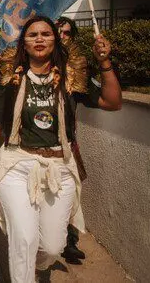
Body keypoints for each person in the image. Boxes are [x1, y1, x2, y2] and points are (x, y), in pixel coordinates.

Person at [0, 16, 122, 283]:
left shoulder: (71, 74)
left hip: (59, 167)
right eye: (33, 35)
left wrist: (104, 62)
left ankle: (37, 265)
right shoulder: (10, 75)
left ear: (56, 39)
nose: (40, 39)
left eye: (46, 34)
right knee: (24, 238)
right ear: (24, 42)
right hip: (16, 164)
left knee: (53, 247)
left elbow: (112, 102)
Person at [56, 16, 86, 265]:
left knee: (73, 193)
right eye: (59, 32)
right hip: (38, 146)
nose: (63, 37)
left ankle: (70, 241)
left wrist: (104, 61)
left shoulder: (75, 68)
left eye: (67, 33)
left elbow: (108, 99)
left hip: (68, 142)